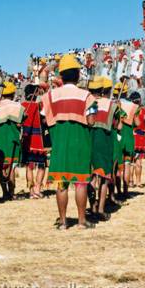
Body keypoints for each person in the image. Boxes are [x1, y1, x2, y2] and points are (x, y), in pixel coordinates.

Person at [41, 54, 97, 229]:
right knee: (80, 183)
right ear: (78, 75)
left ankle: (63, 221)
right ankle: (81, 221)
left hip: (60, 144)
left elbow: (44, 119)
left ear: (62, 76)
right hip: (81, 144)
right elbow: (91, 121)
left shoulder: (51, 96)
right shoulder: (86, 96)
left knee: (62, 183)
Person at [87, 76, 117, 220]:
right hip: (105, 142)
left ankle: (92, 206)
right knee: (104, 177)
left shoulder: (87, 103)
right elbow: (118, 126)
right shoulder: (112, 105)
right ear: (104, 89)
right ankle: (100, 209)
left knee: (91, 176)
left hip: (89, 141)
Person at [0, 81, 25, 201]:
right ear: (12, 93)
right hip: (13, 139)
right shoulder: (17, 106)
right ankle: (12, 193)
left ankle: (5, 192)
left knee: (2, 167)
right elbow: (23, 118)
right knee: (11, 167)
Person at [21, 83, 48, 199]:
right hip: (39, 140)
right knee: (41, 165)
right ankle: (37, 189)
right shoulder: (39, 106)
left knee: (29, 166)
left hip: (27, 139)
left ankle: (31, 191)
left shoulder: (22, 106)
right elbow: (45, 120)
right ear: (35, 93)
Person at [131, 92, 145, 188]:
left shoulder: (130, 110)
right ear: (140, 100)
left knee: (131, 161)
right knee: (138, 162)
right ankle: (138, 182)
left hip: (132, 136)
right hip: (140, 137)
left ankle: (131, 182)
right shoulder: (144, 111)